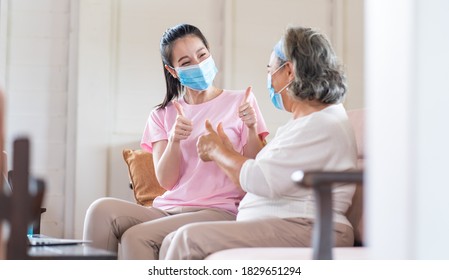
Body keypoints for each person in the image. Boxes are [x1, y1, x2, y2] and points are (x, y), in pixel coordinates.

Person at [160, 26, 358, 260]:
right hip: (291, 222)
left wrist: (217, 151)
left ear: (290, 72)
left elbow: (260, 179)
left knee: (186, 239)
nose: (270, 81)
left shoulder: (321, 124)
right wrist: (226, 151)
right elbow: (269, 173)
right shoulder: (307, 122)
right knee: (173, 239)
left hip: (308, 225)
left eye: (270, 70)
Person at [82, 23, 269, 259]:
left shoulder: (242, 101)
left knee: (136, 236)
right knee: (100, 210)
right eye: (186, 62)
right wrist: (174, 140)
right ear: (173, 71)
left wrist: (251, 128)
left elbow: (253, 172)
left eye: (202, 55)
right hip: (169, 208)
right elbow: (167, 181)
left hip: (218, 209)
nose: (198, 64)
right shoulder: (162, 115)